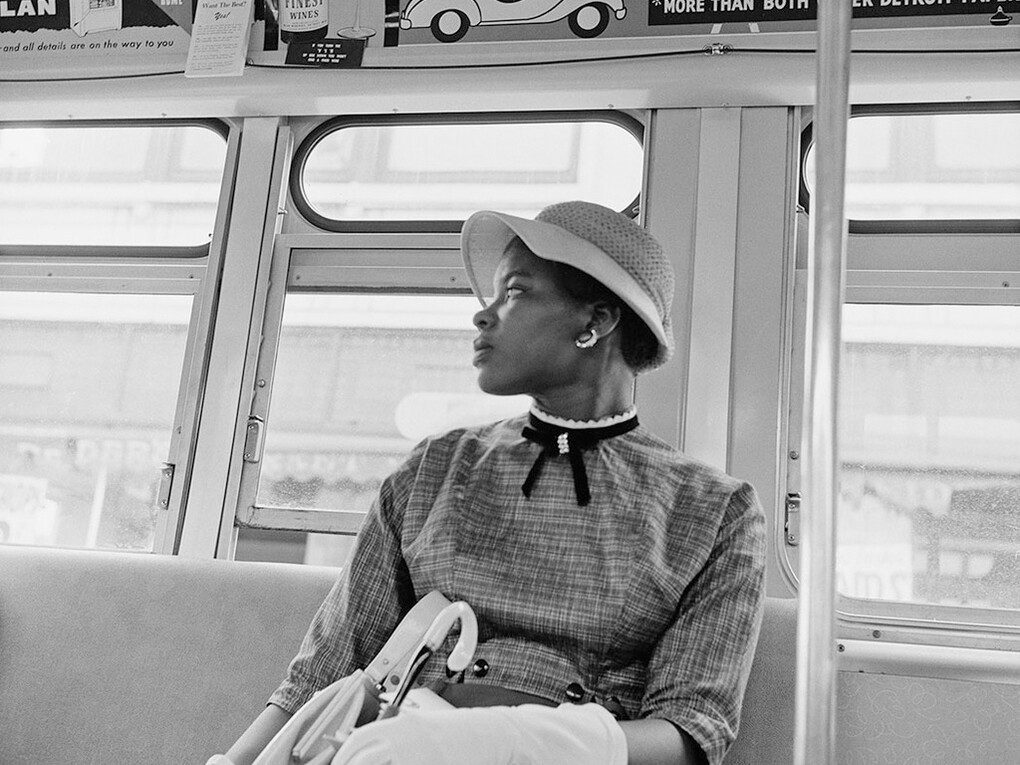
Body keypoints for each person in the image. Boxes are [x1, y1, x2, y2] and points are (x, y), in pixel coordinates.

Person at [218, 201, 766, 765]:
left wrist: (528, 743)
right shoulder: (435, 468)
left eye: (516, 292)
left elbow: (692, 732)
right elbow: (328, 671)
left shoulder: (712, 509)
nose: (483, 317)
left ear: (596, 322)